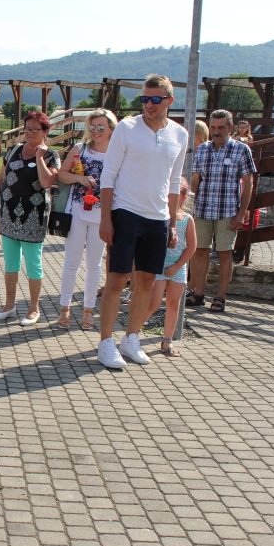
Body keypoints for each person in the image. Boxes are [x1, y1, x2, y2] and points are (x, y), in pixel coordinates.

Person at [96, 74, 188, 370]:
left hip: (158, 217)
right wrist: (106, 218)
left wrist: (171, 224)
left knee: (147, 281)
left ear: (169, 100)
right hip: (125, 212)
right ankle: (106, 342)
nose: (148, 104)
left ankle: (131, 338)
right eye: (145, 99)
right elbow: (108, 175)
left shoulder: (180, 134)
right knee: (117, 279)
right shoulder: (127, 128)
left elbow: (174, 181)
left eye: (155, 99)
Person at [0, 111, 59, 325]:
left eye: (35, 129)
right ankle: (9, 305)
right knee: (11, 262)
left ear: (45, 132)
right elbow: (1, 179)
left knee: (33, 263)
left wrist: (39, 158)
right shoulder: (13, 150)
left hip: (33, 216)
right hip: (9, 213)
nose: (30, 133)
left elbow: (47, 182)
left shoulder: (51, 155)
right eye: (27, 128)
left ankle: (34, 308)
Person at [187, 109, 256, 313]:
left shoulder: (241, 149)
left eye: (221, 127)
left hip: (228, 210)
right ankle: (198, 293)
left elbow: (248, 183)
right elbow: (195, 181)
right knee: (199, 251)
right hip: (202, 208)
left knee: (225, 253)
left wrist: (242, 212)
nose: (216, 131)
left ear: (230, 127)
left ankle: (221, 297)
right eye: (213, 127)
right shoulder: (202, 150)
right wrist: (189, 209)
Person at [57, 109, 118, 330]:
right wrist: (79, 178)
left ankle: (88, 310)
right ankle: (64, 308)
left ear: (111, 128)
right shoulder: (80, 149)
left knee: (94, 264)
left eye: (101, 127)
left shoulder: (117, 152)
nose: (96, 131)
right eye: (92, 127)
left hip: (102, 215)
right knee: (71, 262)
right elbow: (61, 174)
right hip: (77, 211)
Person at [144, 179, 196, 357]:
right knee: (153, 303)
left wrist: (177, 266)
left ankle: (167, 341)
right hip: (159, 266)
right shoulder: (160, 215)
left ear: (183, 197)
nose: (171, 197)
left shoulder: (187, 219)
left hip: (178, 267)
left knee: (174, 304)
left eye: (176, 193)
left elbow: (191, 247)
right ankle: (132, 334)